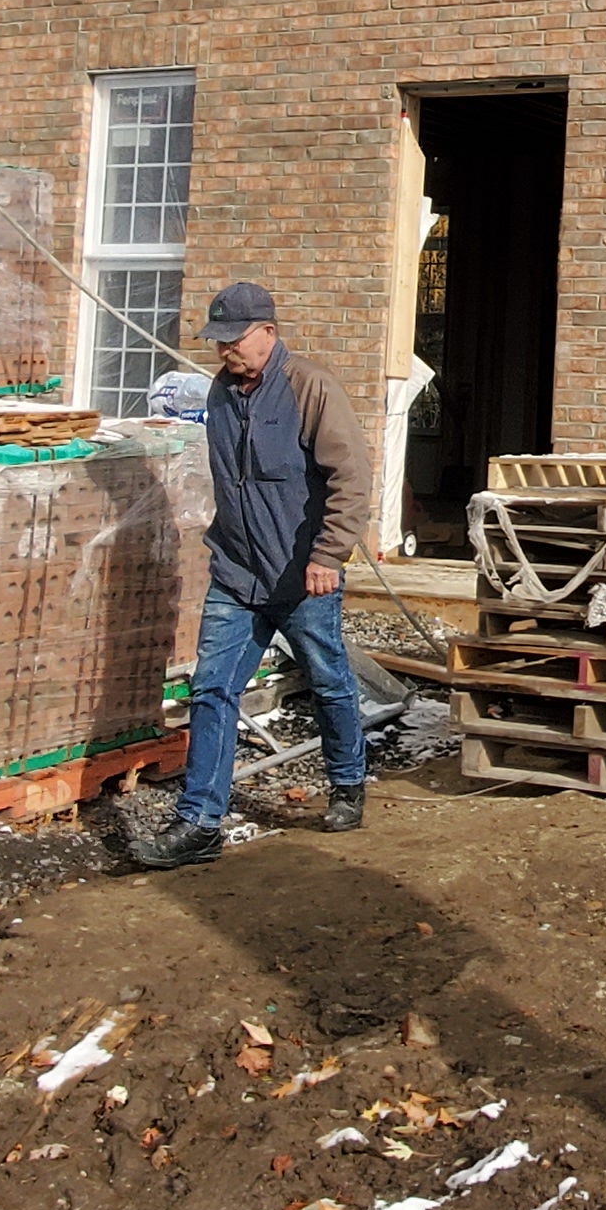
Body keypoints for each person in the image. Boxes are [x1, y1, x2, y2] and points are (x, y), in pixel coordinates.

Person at [125, 279, 372, 869]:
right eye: (218, 342)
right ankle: (200, 822)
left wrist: (329, 555)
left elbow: (352, 479)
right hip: (237, 571)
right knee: (213, 689)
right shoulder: (220, 392)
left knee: (329, 679)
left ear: (267, 332)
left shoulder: (310, 387)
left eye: (234, 340)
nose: (224, 352)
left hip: (301, 572)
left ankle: (347, 783)